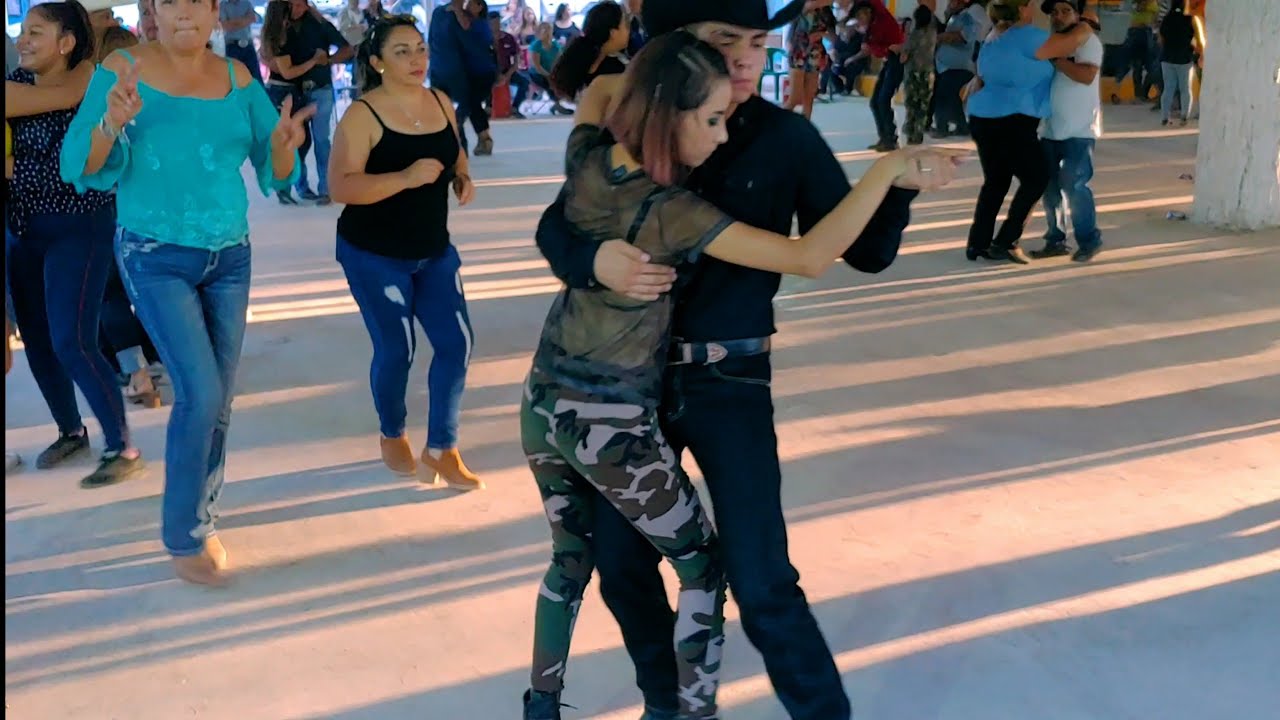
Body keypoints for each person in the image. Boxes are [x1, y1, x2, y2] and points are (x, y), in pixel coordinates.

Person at [534, 1, 962, 717]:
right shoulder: (627, 125)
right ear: (672, 48)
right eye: (723, 40)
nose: (743, 60)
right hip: (621, 389)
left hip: (728, 380)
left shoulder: (783, 137)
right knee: (621, 565)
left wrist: (896, 187)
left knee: (763, 580)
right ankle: (665, 703)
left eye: (758, 44)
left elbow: (863, 251)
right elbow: (560, 222)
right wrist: (591, 260)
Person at [60, 0, 311, 585]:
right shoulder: (122, 70)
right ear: (152, 10)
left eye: (198, 0)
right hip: (154, 254)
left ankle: (204, 514)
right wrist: (110, 123)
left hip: (230, 254)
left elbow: (273, 169)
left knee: (218, 397)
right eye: (170, 1)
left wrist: (283, 143)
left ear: (215, 12)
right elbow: (84, 164)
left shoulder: (238, 79)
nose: (185, 12)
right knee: (199, 390)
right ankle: (183, 535)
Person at [329, 16, 482, 489]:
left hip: (434, 250)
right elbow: (340, 186)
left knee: (457, 344)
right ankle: (391, 431)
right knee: (398, 349)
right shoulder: (363, 115)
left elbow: (455, 150)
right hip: (374, 254)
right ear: (376, 63)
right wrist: (404, 178)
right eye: (401, 52)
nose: (417, 59)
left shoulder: (439, 101)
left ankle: (443, 448)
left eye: (419, 49)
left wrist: (462, 176)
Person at [7, 0, 145, 487]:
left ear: (66, 42)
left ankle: (121, 444)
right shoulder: (24, 86)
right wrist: (75, 91)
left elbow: (91, 163)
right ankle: (71, 430)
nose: (22, 40)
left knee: (73, 339)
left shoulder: (95, 88)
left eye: (36, 32)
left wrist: (86, 92)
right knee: (39, 340)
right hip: (23, 229)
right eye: (24, 31)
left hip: (79, 225)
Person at [963, 0, 1056, 264]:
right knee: (1037, 177)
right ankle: (1006, 240)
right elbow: (1072, 44)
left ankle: (977, 243)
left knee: (996, 180)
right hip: (1013, 118)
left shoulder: (992, 39)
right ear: (1024, 10)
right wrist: (1086, 23)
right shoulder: (1032, 37)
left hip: (982, 117)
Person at [1033, 0, 1103, 263]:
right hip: (1049, 129)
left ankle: (1089, 240)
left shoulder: (1087, 43)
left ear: (1077, 15)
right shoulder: (1050, 43)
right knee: (1050, 189)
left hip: (1080, 129)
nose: (1058, 16)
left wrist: (1057, 60)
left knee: (1075, 185)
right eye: (1054, 12)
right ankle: (1055, 239)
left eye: (1065, 11)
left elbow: (1086, 76)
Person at [274, 0, 353, 204]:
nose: (297, 9)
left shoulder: (319, 23)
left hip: (320, 89)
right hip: (294, 90)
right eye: (293, 5)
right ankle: (300, 186)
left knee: (321, 140)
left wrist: (329, 60)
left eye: (300, 5)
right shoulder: (281, 26)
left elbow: (347, 49)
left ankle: (326, 189)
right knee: (299, 141)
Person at [428, 0, 496, 155]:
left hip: (471, 70)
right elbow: (432, 39)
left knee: (467, 106)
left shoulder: (474, 21)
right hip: (454, 68)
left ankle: (468, 145)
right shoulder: (444, 13)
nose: (468, 4)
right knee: (469, 105)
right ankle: (477, 142)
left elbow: (468, 35)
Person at [852, 0, 906, 151]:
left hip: (896, 62)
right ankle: (885, 137)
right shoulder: (872, 26)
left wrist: (875, 47)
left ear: (867, 12)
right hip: (889, 61)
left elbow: (877, 50)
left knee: (882, 100)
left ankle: (890, 139)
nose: (860, 20)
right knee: (875, 101)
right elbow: (877, 50)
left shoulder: (881, 18)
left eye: (860, 16)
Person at [547, 0, 628, 101]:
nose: (629, 32)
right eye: (625, 26)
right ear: (613, 32)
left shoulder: (583, 60)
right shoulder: (615, 68)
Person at [932, 0, 978, 137]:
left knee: (943, 97)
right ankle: (962, 127)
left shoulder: (967, 18)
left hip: (958, 67)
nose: (950, 3)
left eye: (953, 1)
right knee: (953, 99)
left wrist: (939, 38)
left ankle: (942, 127)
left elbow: (963, 37)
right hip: (946, 67)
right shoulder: (953, 18)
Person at [785, 1, 835, 120]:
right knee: (795, 98)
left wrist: (822, 34)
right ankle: (776, 126)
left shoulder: (827, 12)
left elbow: (834, 38)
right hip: (799, 51)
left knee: (809, 98)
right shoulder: (804, 5)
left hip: (816, 54)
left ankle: (804, 131)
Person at [902, 4, 937, 144]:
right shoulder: (933, 33)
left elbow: (904, 56)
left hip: (913, 72)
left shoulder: (914, 35)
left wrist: (905, 34)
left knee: (911, 103)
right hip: (928, 72)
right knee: (923, 104)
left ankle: (910, 132)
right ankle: (919, 132)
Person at [1157, 0, 1196, 126]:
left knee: (1168, 89)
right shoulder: (1189, 19)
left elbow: (1161, 37)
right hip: (1184, 59)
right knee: (1185, 89)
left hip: (1167, 58)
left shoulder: (1167, 19)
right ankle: (1184, 116)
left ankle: (1164, 117)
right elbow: (1194, 37)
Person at [490, 10, 530, 118]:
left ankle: (515, 107)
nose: (496, 25)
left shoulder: (509, 38)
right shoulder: (485, 39)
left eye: (497, 22)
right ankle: (489, 108)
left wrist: (507, 75)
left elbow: (516, 61)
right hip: (490, 72)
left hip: (507, 71)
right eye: (493, 23)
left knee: (525, 82)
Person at [528, 21, 571, 115]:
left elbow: (558, 62)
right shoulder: (536, 45)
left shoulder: (555, 45)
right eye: (544, 30)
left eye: (549, 30)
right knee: (549, 81)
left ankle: (561, 102)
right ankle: (557, 105)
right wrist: (549, 76)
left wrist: (555, 73)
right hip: (536, 73)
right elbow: (537, 66)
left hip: (551, 72)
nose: (547, 32)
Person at [220, 0, 262, 82]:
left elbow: (253, 18)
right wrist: (245, 19)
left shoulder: (246, 3)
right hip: (232, 45)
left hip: (248, 44)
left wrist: (233, 22)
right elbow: (226, 26)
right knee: (233, 78)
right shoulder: (223, 5)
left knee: (256, 78)